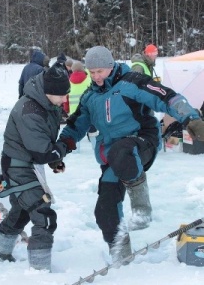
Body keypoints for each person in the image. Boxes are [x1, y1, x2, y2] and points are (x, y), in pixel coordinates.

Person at [59, 45, 204, 264]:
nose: (96, 76)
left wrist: (190, 118)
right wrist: (61, 147)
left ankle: (142, 207)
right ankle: (121, 255)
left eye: (101, 71)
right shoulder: (90, 97)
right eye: (93, 72)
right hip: (113, 157)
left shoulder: (132, 82)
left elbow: (167, 97)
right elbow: (75, 126)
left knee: (122, 151)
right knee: (105, 211)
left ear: (110, 66)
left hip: (141, 143)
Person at [0, 63, 70, 271]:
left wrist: (55, 159)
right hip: (18, 167)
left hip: (28, 164)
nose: (65, 100)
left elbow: (42, 143)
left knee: (22, 211)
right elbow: (42, 151)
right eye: (62, 95)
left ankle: (2, 252)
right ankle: (40, 271)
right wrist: (63, 148)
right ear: (48, 91)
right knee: (43, 216)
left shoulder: (46, 104)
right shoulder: (30, 110)